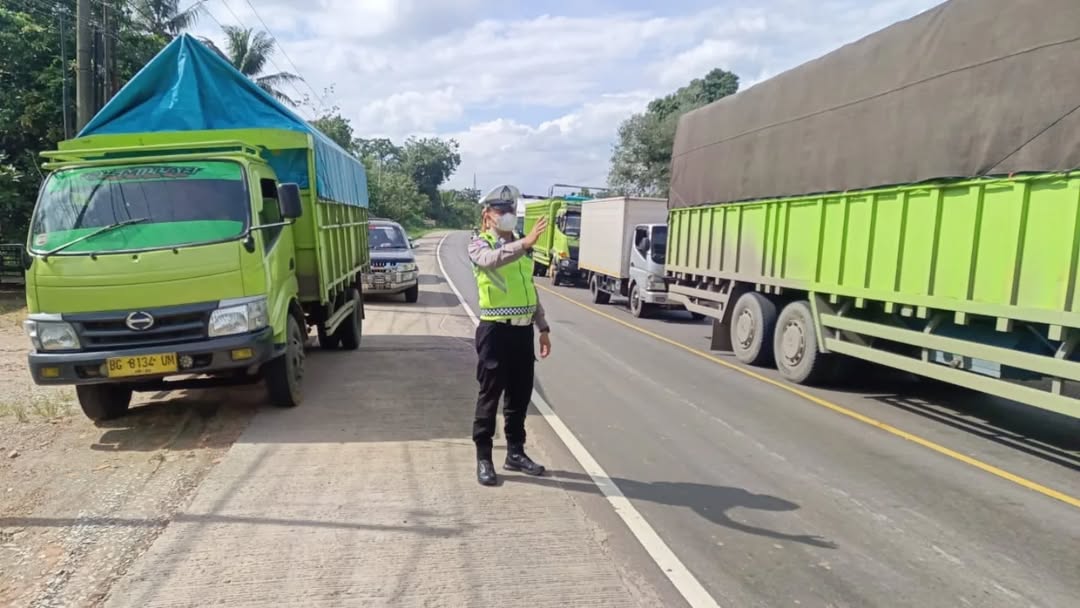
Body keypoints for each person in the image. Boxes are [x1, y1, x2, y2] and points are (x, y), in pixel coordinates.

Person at [468, 184, 553, 486]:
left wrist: (542, 327)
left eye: (511, 211)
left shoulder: (521, 245)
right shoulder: (479, 244)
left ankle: (515, 453)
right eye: (501, 211)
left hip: (522, 331)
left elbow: (529, 289)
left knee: (520, 396)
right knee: (490, 396)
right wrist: (525, 243)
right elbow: (492, 261)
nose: (507, 216)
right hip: (495, 331)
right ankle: (484, 458)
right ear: (487, 215)